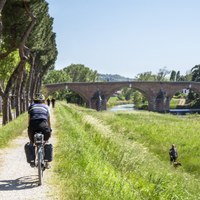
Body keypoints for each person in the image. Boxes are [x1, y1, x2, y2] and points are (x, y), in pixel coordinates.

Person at [28, 93, 52, 167]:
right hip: (44, 126)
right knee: (46, 141)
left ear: (34, 100)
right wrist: (49, 129)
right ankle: (47, 162)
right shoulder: (46, 107)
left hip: (32, 126)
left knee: (31, 142)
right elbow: (48, 120)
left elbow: (29, 120)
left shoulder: (31, 106)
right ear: (43, 100)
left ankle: (32, 161)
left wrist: (29, 129)